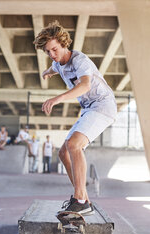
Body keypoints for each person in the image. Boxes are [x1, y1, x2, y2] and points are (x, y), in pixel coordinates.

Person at [33, 21, 117, 215]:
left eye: (54, 49)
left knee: (74, 145)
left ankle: (80, 199)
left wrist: (58, 98)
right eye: (47, 52)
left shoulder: (80, 61)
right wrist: (47, 72)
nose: (52, 55)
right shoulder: (57, 63)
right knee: (63, 153)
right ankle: (83, 198)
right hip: (89, 108)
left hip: (102, 105)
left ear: (63, 43)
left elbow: (85, 85)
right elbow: (55, 67)